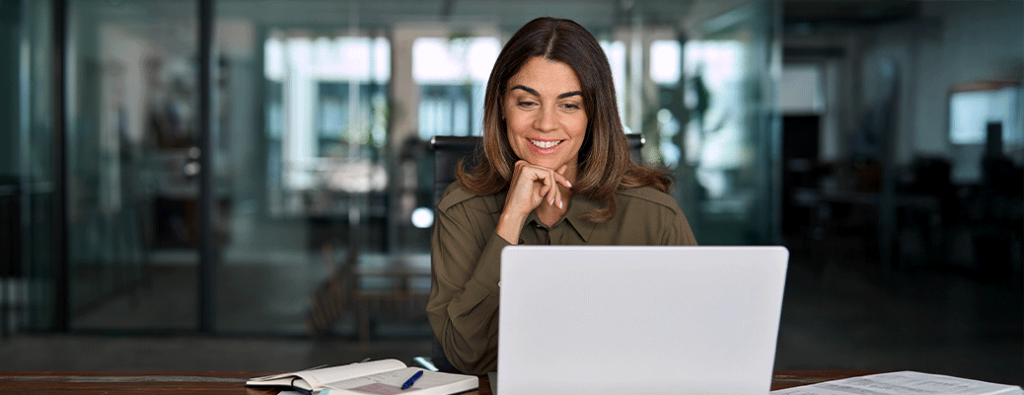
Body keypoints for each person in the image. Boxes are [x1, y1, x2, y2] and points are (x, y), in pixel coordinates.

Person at [426, 17, 697, 375]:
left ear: (594, 116)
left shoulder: (656, 216)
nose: (546, 125)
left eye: (569, 105)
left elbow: (695, 347)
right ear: (502, 108)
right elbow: (467, 356)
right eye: (527, 102)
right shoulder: (462, 211)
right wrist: (510, 221)